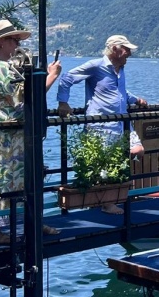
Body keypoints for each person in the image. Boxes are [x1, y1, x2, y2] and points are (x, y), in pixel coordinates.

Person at [0, 19, 63, 245]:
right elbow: (25, 97)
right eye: (14, 39)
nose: (17, 44)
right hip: (5, 132)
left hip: (10, 132)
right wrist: (52, 76)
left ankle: (28, 222)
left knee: (18, 178)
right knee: (1, 178)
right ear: (1, 42)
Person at [56, 34, 148, 214]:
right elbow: (67, 78)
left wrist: (136, 99)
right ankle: (105, 202)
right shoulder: (96, 66)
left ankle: (108, 198)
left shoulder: (120, 70)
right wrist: (63, 102)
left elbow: (120, 93)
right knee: (103, 164)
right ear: (115, 49)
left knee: (136, 151)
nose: (129, 53)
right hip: (100, 125)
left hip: (121, 123)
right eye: (126, 49)